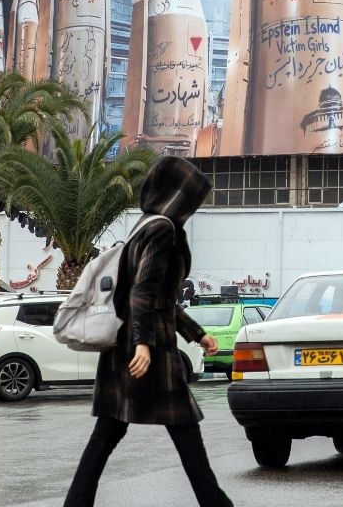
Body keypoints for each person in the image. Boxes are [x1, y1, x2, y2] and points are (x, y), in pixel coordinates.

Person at [64, 156, 232, 507]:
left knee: (110, 430)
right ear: (176, 194)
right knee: (183, 427)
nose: (193, 206)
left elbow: (160, 296)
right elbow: (143, 290)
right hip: (147, 346)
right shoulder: (162, 229)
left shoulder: (144, 225)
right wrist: (143, 344)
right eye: (190, 198)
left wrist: (197, 334)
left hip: (130, 343)